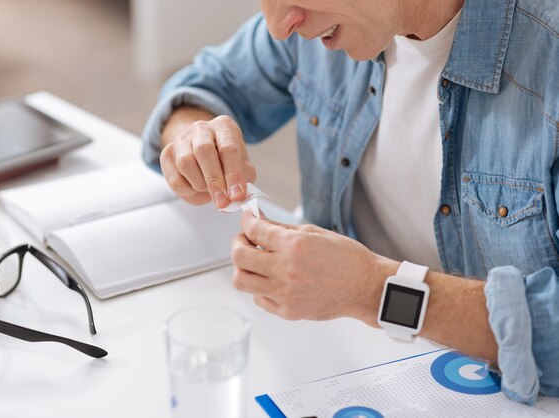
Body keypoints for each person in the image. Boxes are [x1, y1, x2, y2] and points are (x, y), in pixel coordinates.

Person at [141, 0, 559, 405]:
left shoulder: (548, 51)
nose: (279, 27)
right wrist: (193, 138)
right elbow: (205, 84)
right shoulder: (322, 20)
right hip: (346, 365)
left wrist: (372, 292)